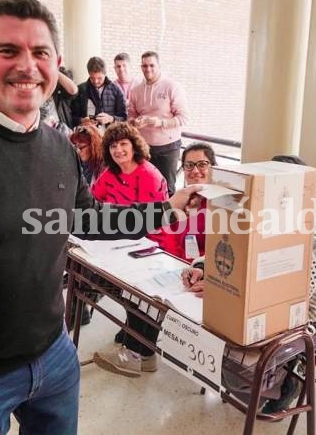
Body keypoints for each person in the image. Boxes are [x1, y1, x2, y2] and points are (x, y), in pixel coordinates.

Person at [0, 0, 199, 434]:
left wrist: (165, 209)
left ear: (56, 64)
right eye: (8, 51)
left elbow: (86, 219)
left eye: (40, 53)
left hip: (55, 356)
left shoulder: (58, 147)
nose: (27, 66)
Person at [185, 154, 316, 414]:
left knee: (236, 369)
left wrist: (228, 289)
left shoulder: (315, 224)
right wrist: (203, 268)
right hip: (263, 311)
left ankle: (283, 384)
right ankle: (268, 379)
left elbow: (298, 291)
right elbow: (230, 244)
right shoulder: (267, 210)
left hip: (305, 318)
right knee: (204, 341)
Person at [92, 141, 216, 377]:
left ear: (214, 167)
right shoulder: (184, 199)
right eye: (189, 165)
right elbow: (169, 234)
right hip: (172, 263)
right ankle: (137, 341)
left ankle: (139, 353)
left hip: (198, 274)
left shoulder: (221, 206)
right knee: (129, 285)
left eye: (202, 164)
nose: (195, 171)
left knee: (145, 297)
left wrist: (197, 267)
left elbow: (221, 250)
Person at [128, 51, 189, 197]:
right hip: (144, 148)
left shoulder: (172, 86)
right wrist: (134, 122)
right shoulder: (136, 90)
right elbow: (131, 114)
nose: (148, 69)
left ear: (159, 66)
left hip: (168, 147)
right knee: (145, 186)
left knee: (167, 188)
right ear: (140, 67)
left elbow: (183, 118)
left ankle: (169, 220)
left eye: (151, 65)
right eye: (144, 66)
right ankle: (150, 219)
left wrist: (159, 122)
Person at [71, 56, 126, 130]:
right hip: (86, 135)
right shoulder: (80, 90)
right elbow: (71, 117)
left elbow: (124, 118)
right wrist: (81, 120)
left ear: (105, 73)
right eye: (92, 78)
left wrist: (111, 119)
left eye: (99, 78)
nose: (96, 81)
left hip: (110, 136)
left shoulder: (116, 90)